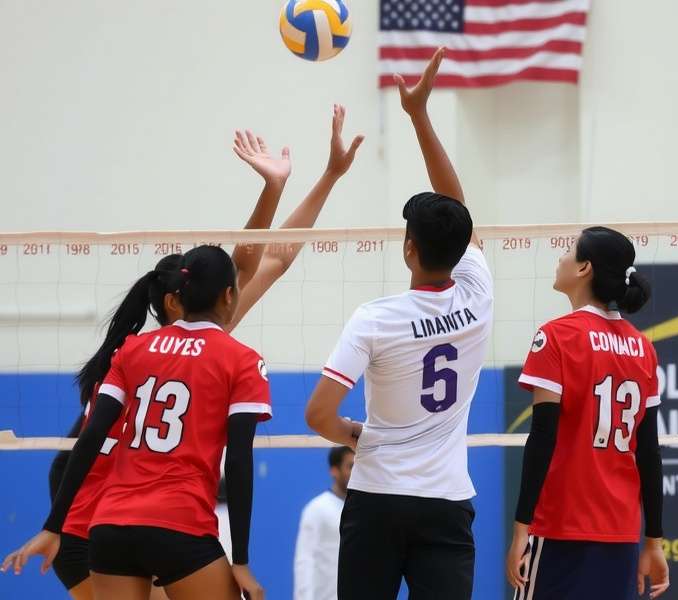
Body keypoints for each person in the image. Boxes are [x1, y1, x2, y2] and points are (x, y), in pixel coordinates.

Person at [2, 106, 363, 600]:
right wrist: (55, 524)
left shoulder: (161, 345)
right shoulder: (179, 347)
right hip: (87, 527)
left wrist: (329, 176)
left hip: (117, 523)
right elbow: (252, 257)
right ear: (181, 299)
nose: (231, 286)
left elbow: (274, 255)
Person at [305, 48, 493, 600]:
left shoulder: (375, 319)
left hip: (378, 498)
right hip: (446, 505)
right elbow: (458, 207)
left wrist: (353, 434)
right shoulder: (480, 293)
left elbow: (318, 414)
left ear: (408, 248)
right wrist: (420, 116)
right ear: (460, 248)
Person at [5, 245, 268, 600]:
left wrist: (53, 527)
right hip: (179, 523)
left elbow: (91, 437)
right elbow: (237, 462)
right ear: (228, 295)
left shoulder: (133, 349)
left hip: (111, 528)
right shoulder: (242, 360)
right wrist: (241, 560)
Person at [506, 227, 669, 600]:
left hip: (561, 527)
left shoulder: (556, 336)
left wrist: (521, 529)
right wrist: (654, 540)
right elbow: (650, 453)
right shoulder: (643, 348)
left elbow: (543, 437)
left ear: (584, 269)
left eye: (567, 250)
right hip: (621, 532)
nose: (560, 258)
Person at [293, 446, 354, 600]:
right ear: (334, 470)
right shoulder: (317, 509)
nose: (356, 472)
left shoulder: (366, 511)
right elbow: (304, 560)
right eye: (351, 466)